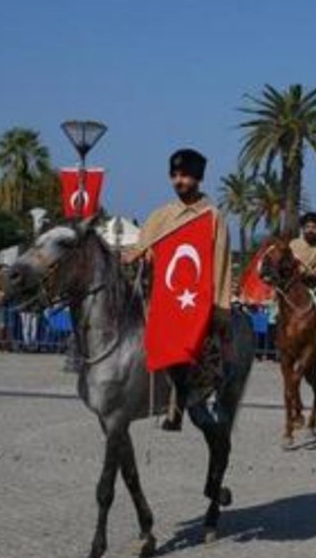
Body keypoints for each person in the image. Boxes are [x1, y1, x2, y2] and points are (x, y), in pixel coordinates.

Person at [127, 148, 232, 432]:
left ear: (197, 178)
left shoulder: (212, 216)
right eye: (174, 175)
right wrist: (137, 256)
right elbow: (143, 250)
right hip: (161, 295)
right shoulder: (160, 215)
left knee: (199, 346)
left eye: (184, 175)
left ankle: (183, 399)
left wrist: (221, 306)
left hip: (196, 300)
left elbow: (221, 261)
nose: (178, 181)